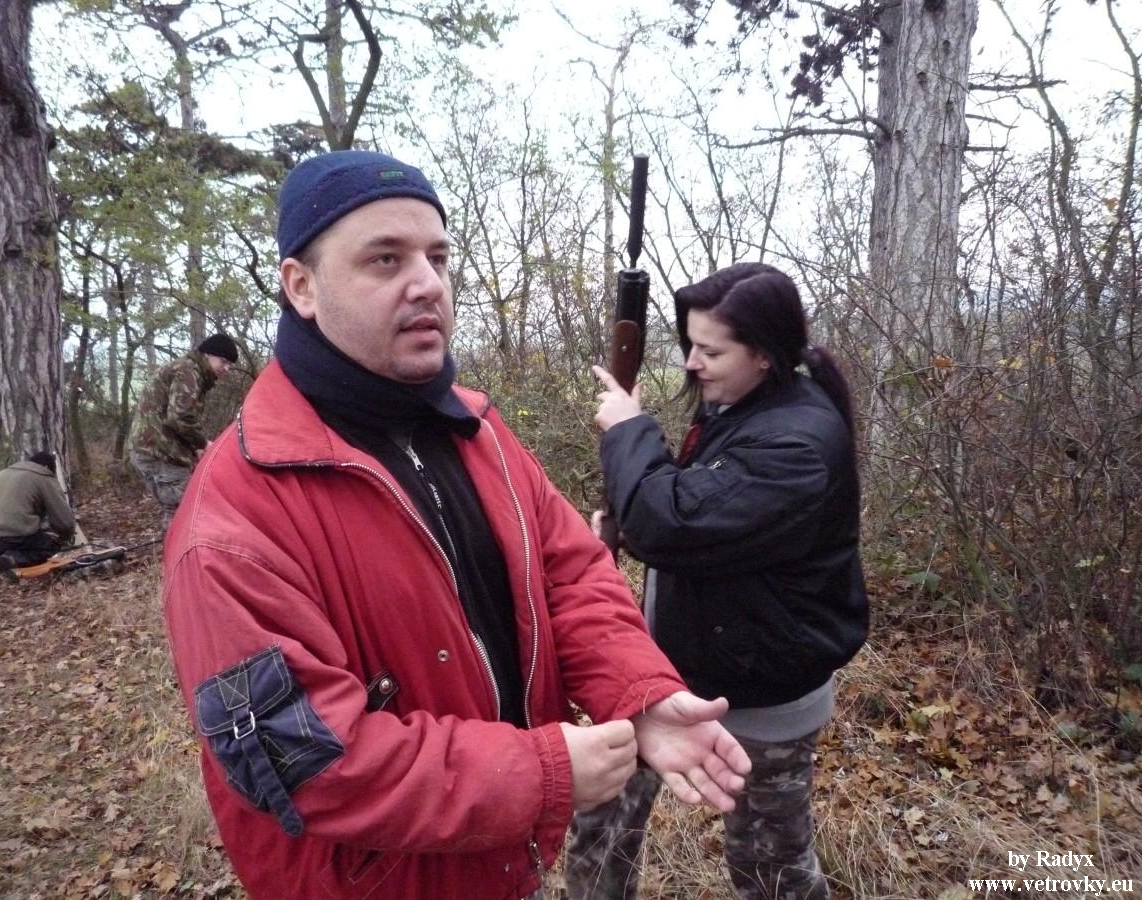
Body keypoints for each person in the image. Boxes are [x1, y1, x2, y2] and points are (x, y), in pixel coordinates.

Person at [161, 150, 752, 900]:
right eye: (385, 259)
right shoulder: (234, 517)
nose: (428, 284)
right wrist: (540, 774)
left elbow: (570, 573)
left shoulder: (477, 430)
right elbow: (305, 761)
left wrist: (638, 693)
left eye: (437, 258)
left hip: (506, 858)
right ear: (301, 286)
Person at [566, 262, 869, 900]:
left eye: (710, 351)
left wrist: (628, 432)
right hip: (664, 673)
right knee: (601, 830)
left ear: (764, 354)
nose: (691, 364)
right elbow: (705, 516)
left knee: (769, 867)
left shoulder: (798, 444)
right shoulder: (740, 403)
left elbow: (675, 522)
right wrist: (625, 525)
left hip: (761, 692)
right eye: (690, 345)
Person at [127, 332, 237, 525]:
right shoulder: (188, 372)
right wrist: (203, 443)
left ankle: (173, 543)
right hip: (160, 453)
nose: (226, 368)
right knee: (182, 513)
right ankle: (176, 545)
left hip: (149, 449)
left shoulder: (188, 369)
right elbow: (179, 417)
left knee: (177, 510)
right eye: (223, 361)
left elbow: (176, 417)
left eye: (229, 364)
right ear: (208, 354)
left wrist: (195, 447)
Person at [0, 451, 76, 570]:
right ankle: (14, 559)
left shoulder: (4, 472)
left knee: (10, 535)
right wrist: (66, 538)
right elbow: (65, 523)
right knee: (50, 545)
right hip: (10, 535)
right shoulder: (44, 477)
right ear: (47, 467)